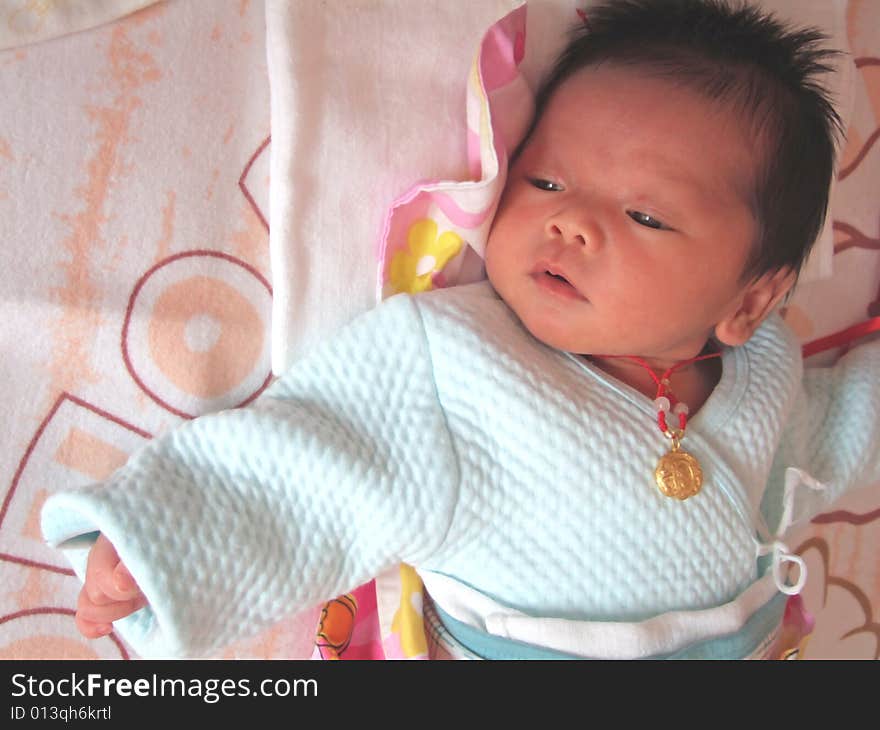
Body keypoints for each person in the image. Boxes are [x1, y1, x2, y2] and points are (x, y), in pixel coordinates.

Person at [42, 0, 879, 659]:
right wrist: (156, 545)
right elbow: (315, 470)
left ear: (749, 302)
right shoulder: (464, 366)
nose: (573, 224)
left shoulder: (764, 377)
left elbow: (841, 429)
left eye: (645, 215)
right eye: (547, 179)